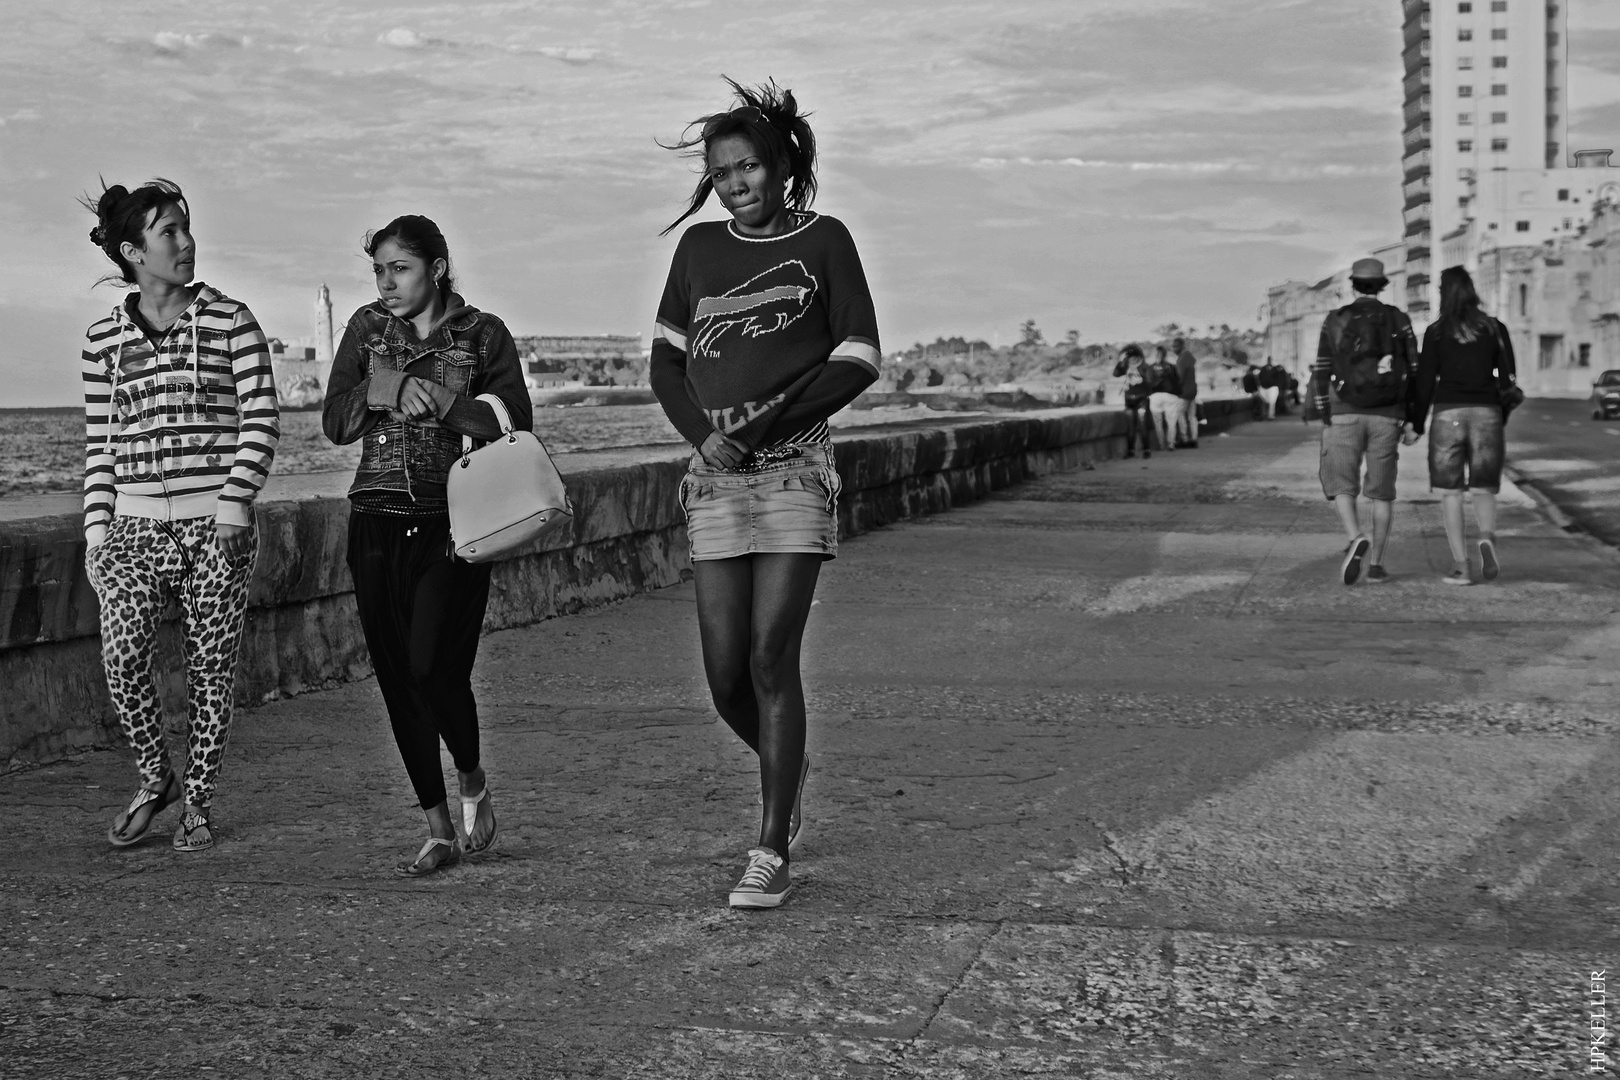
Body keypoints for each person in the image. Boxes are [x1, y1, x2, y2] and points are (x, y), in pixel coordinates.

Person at [650, 79, 880, 909]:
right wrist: (701, 435)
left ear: (780, 167)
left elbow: (858, 355)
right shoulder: (699, 251)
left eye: (749, 167)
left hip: (792, 472)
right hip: (712, 477)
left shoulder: (825, 241)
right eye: (721, 173)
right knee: (723, 677)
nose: (736, 183)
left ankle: (771, 844)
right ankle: (787, 760)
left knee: (769, 657)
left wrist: (764, 426)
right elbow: (665, 363)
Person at [322, 216, 531, 876]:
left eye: (400, 268)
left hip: (456, 521)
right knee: (396, 677)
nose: (386, 282)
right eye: (378, 269)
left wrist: (441, 400)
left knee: (431, 666)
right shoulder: (364, 329)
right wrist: (383, 388)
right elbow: (335, 422)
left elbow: (512, 423)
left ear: (437, 268)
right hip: (375, 520)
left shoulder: (483, 333)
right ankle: (438, 828)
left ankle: (471, 778)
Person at [80, 179, 280, 851]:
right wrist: (97, 533)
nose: (187, 243)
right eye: (170, 232)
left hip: (213, 529)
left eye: (187, 229)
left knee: (210, 670)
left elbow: (261, 419)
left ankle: (196, 801)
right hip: (132, 531)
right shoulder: (102, 340)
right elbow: (101, 442)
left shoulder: (231, 319)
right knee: (122, 657)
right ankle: (154, 777)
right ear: (134, 250)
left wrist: (234, 503)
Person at [1310, 257, 1420, 585]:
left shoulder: (1335, 319)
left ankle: (1355, 536)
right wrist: (1413, 419)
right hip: (1388, 414)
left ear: (1353, 285)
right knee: (1381, 492)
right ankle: (1376, 565)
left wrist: (1323, 411)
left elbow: (1321, 368)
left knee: (1342, 484)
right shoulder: (1399, 319)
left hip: (1343, 412)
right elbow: (1414, 371)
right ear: (1382, 285)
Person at [1411, 266, 1517, 585]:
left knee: (1451, 494)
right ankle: (1486, 537)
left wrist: (1415, 423)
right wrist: (1499, 416)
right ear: (1472, 289)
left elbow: (1425, 381)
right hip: (1487, 412)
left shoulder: (1436, 331)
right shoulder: (1495, 327)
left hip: (1447, 413)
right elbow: (1509, 378)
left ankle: (1461, 566)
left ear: (1444, 293)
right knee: (1484, 488)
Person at [1112, 344, 1157, 458]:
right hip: (1129, 399)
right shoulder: (1126, 366)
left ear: (1138, 356)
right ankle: (1130, 451)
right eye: (1129, 358)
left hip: (1142, 399)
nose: (1131, 360)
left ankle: (1146, 450)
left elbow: (1151, 381)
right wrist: (1121, 362)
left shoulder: (1145, 367)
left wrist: (1141, 378)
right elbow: (1116, 374)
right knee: (1130, 426)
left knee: (1143, 425)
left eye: (1133, 357)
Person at [1146, 345, 1182, 453]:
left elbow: (1148, 382)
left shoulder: (1150, 368)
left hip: (1155, 396)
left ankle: (1161, 445)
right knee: (1171, 422)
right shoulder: (1171, 366)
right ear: (1165, 355)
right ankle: (1171, 443)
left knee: (1158, 423)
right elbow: (1177, 381)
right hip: (1170, 396)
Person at [1172, 336, 1199, 448]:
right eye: (1173, 346)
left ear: (1181, 346)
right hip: (1192, 391)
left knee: (1180, 414)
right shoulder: (1190, 358)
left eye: (1175, 346)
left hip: (1184, 392)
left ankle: (1184, 439)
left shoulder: (1182, 359)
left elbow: (1180, 377)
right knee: (1192, 416)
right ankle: (1194, 438)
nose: (1173, 348)